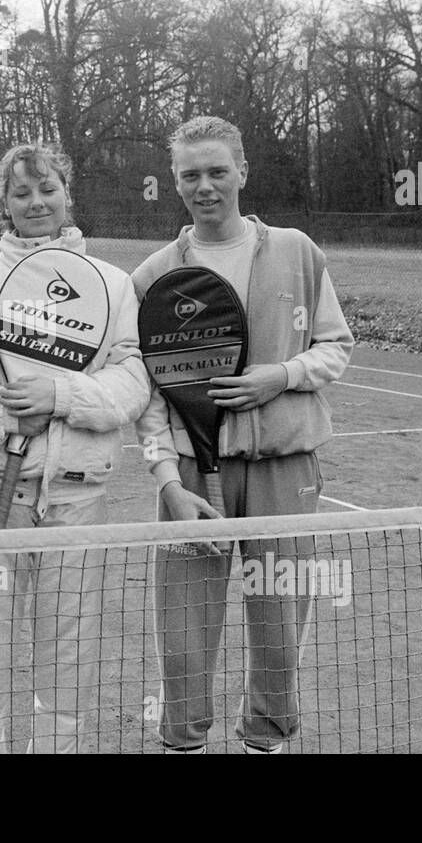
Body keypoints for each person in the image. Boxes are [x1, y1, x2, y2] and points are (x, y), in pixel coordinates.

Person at [134, 115, 354, 754]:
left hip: (286, 469)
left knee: (281, 619)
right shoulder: (152, 275)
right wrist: (168, 483)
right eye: (190, 175)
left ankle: (268, 739)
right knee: (183, 628)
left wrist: (280, 376)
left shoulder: (297, 250)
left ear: (242, 173)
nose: (205, 186)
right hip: (191, 481)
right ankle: (184, 741)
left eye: (217, 171)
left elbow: (335, 346)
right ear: (175, 184)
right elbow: (147, 398)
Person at [0, 143, 150, 754]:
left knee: (68, 652)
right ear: (2, 206)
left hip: (77, 494)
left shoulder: (114, 285)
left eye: (47, 189)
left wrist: (58, 394)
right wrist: (5, 412)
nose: (36, 202)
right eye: (20, 193)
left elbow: (132, 383)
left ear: (67, 194)